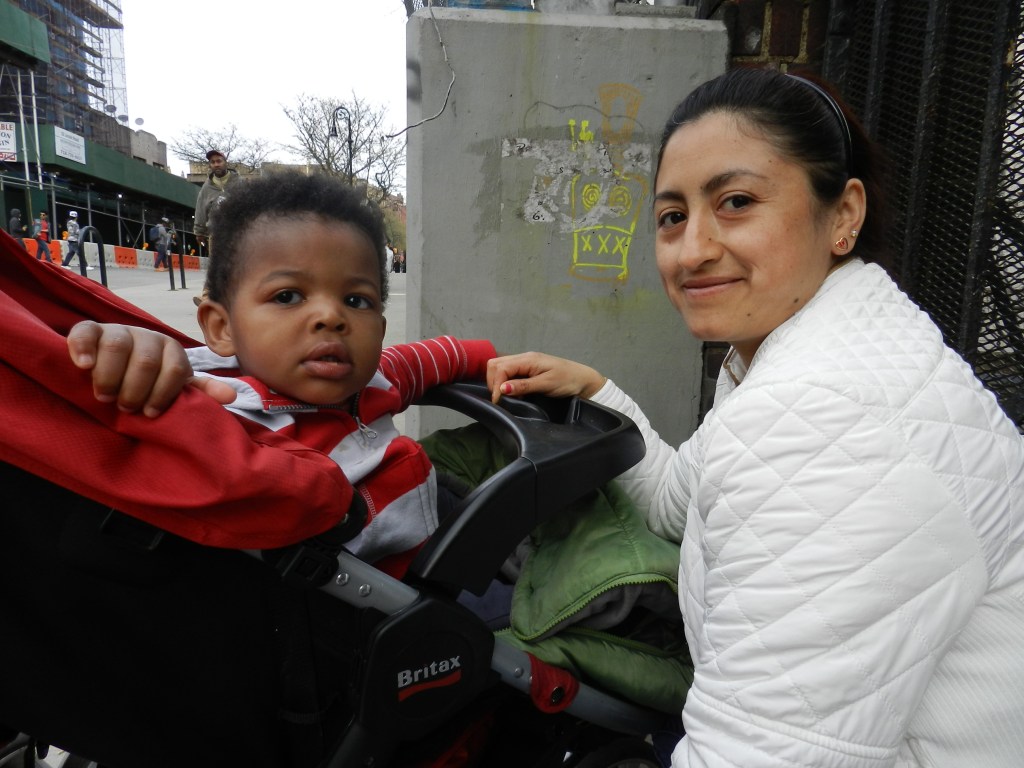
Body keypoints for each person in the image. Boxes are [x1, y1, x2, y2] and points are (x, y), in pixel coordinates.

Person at [485, 68, 1024, 767]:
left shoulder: (825, 420)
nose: (693, 249)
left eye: (735, 202)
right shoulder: (807, 356)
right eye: (672, 217)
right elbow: (684, 501)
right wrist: (601, 394)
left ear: (843, 216)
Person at [69, 173, 497, 578]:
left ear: (380, 330)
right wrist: (136, 358)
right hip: (381, 603)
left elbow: (434, 357)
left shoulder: (374, 377)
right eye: (288, 296)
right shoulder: (226, 408)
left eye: (356, 299)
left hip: (438, 541)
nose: (331, 315)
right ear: (222, 328)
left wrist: (495, 361)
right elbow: (156, 430)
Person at [193, 148, 243, 305]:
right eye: (213, 162)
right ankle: (207, 296)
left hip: (237, 230)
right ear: (210, 165)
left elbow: (249, 204)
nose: (216, 164)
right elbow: (200, 209)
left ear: (225, 162)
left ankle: (238, 295)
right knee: (215, 263)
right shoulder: (206, 188)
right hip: (216, 230)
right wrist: (199, 230)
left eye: (219, 161)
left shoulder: (239, 183)